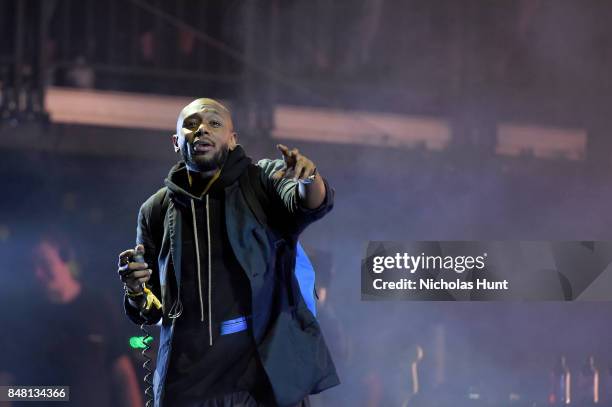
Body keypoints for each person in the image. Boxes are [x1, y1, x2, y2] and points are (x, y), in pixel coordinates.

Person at [117, 98, 339, 407]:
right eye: (191, 125)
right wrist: (136, 290)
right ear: (176, 142)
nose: (202, 130)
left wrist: (309, 178)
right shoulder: (156, 210)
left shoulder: (262, 181)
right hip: (192, 383)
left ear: (232, 139)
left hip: (262, 375)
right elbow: (152, 309)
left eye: (214, 123)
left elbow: (309, 204)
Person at [0, 232, 143, 407]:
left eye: (44, 263)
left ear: (66, 258)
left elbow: (123, 373)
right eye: (32, 266)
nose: (37, 273)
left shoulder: (100, 307)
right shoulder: (22, 317)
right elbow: (6, 383)